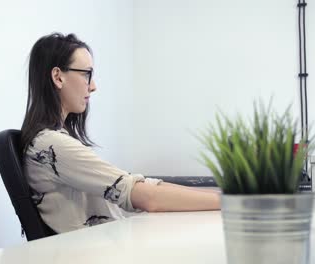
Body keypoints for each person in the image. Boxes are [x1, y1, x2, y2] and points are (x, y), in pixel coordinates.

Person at [20, 32, 220, 233]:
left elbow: (138, 186)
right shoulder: (52, 145)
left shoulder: (51, 141)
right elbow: (146, 197)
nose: (93, 86)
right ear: (58, 77)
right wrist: (227, 203)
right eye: (86, 74)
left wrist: (221, 199)